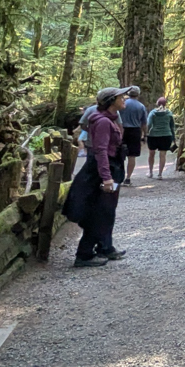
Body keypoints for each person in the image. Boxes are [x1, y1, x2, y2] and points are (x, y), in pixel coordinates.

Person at [62, 88, 128, 267]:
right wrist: (106, 178)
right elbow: (100, 151)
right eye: (121, 97)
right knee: (99, 213)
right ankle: (84, 254)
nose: (125, 99)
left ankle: (105, 247)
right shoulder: (103, 122)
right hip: (99, 174)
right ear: (112, 100)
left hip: (109, 170)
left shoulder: (109, 119)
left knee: (107, 211)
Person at [119, 86, 148, 185]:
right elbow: (144, 123)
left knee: (119, 154)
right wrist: (145, 135)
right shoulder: (141, 106)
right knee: (132, 156)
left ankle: (119, 176)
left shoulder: (122, 104)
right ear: (138, 94)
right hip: (135, 131)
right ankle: (128, 178)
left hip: (122, 130)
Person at [145, 97, 176, 179]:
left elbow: (149, 124)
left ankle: (151, 172)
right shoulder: (169, 113)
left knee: (151, 154)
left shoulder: (153, 113)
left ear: (157, 103)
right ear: (166, 104)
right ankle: (160, 174)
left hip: (153, 136)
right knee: (163, 155)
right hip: (166, 136)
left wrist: (146, 133)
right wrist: (174, 138)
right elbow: (172, 127)